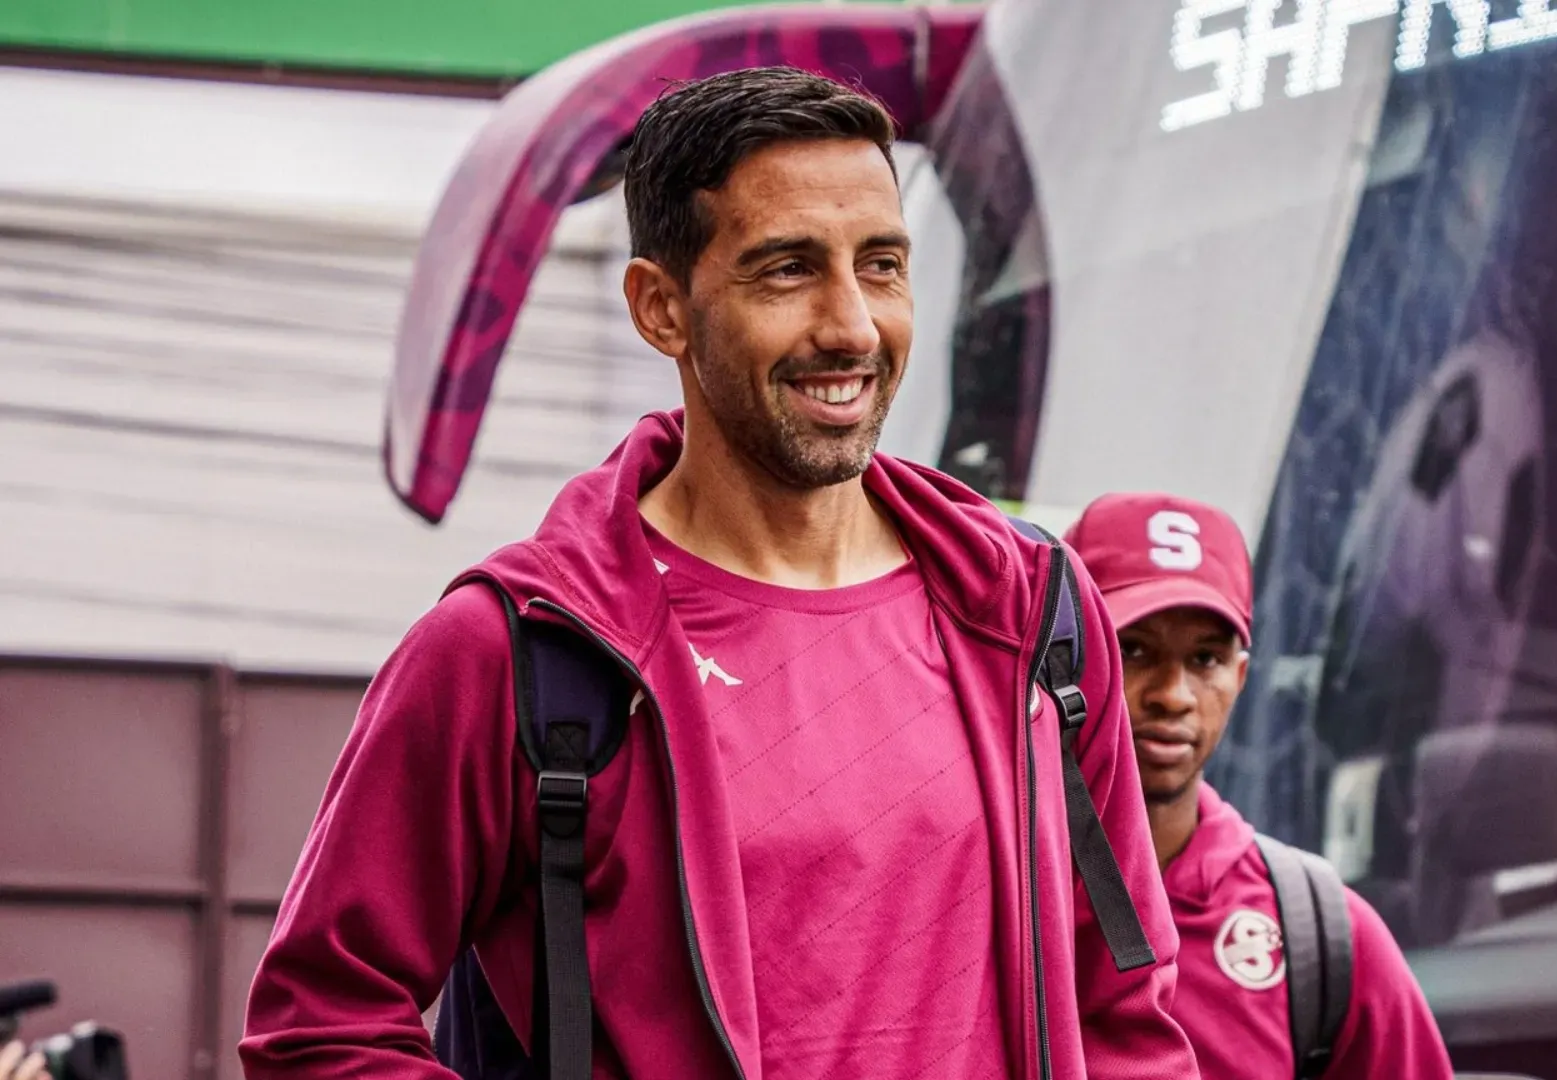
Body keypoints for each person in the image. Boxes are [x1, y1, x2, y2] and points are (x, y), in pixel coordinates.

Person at [240, 68, 1198, 1080]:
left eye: (881, 266)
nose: (854, 328)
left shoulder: (1032, 617)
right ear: (663, 310)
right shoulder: (516, 652)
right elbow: (320, 1025)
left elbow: (1123, 1010)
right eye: (787, 270)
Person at [1063, 492, 1455, 1079]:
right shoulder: (986, 889)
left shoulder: (1316, 935)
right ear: (1063, 660)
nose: (1173, 694)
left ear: (1241, 677)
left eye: (1205, 659)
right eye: (1134, 649)